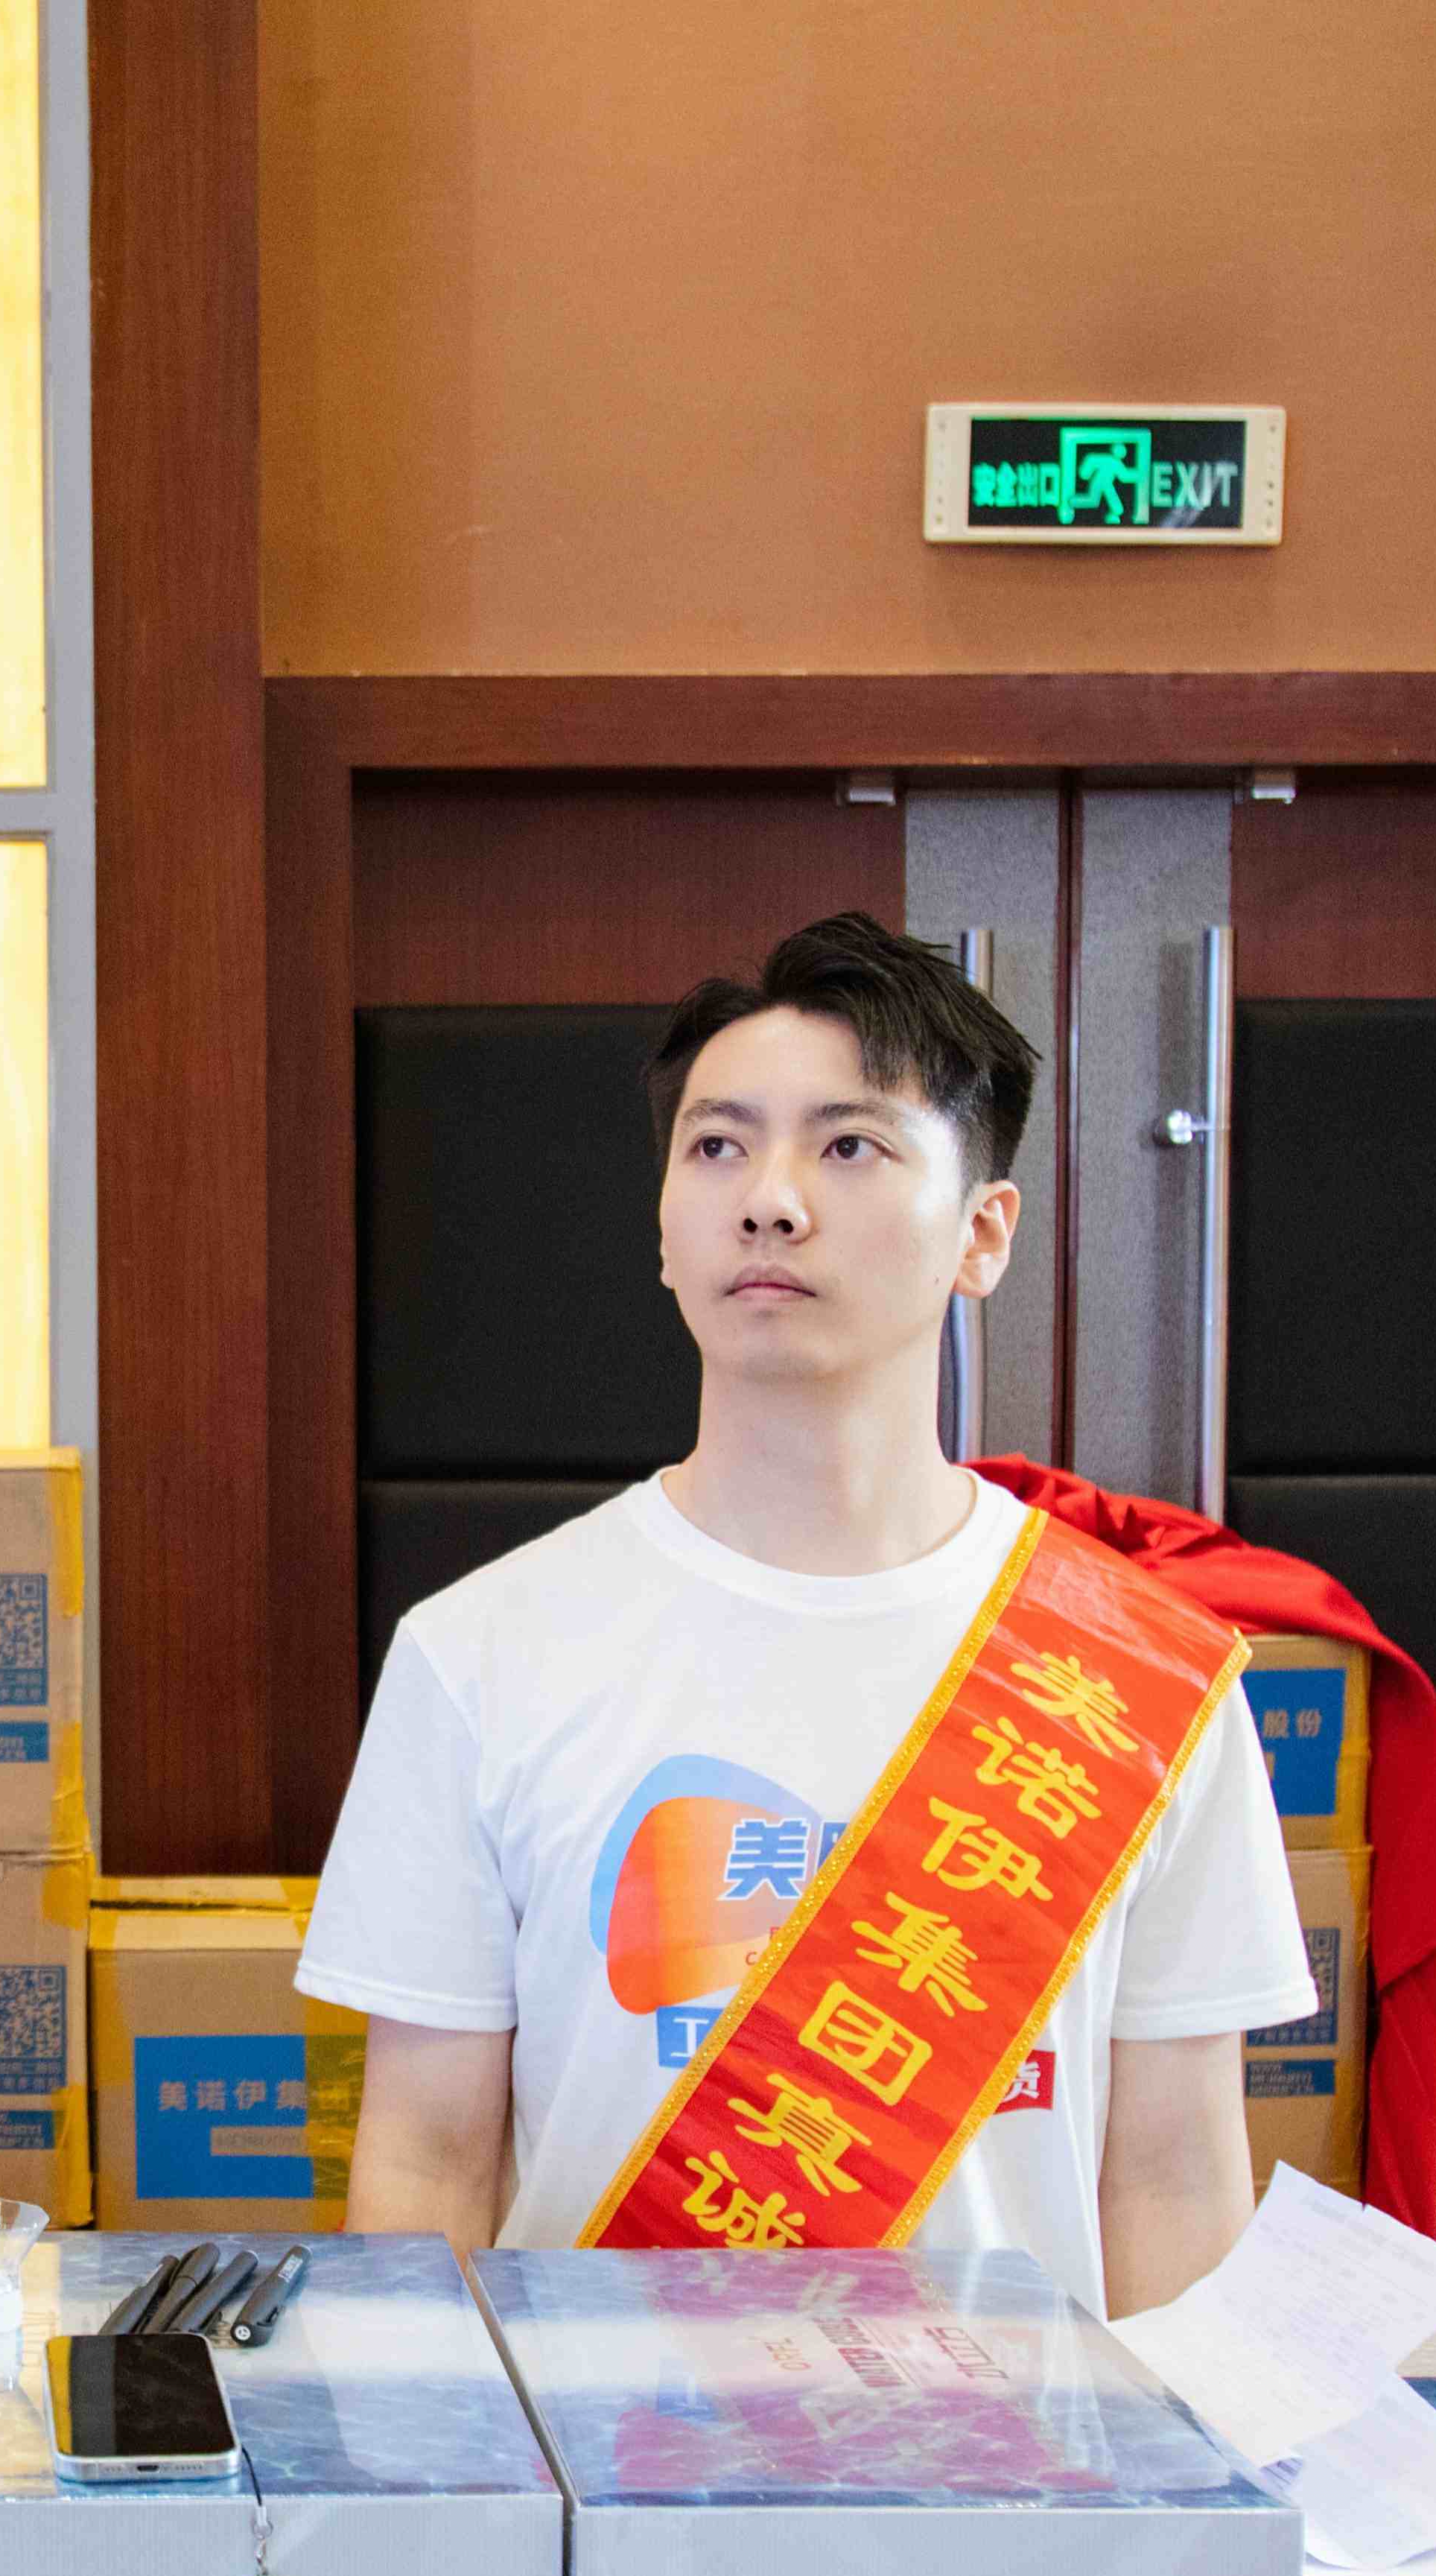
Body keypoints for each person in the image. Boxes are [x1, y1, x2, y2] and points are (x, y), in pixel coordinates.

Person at [300, 914, 1309, 2315]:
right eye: (718, 1146)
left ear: (983, 1235)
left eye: (849, 1147)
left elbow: (1175, 2183)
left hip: (1023, 2453)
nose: (769, 1200)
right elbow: (425, 2163)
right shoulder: (479, 1653)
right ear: (664, 1226)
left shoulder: (1141, 1682)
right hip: (607, 2446)